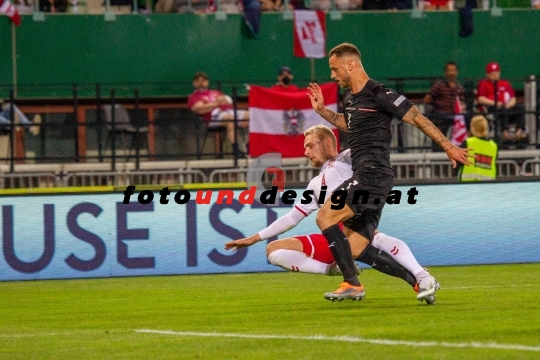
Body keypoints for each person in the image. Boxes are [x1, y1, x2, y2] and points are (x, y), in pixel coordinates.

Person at [307, 43, 471, 302]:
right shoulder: (351, 100)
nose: (332, 75)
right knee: (357, 246)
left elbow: (417, 117)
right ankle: (419, 281)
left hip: (372, 175)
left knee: (325, 216)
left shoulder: (379, 93)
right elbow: (347, 123)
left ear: (351, 65)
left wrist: (449, 147)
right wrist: (322, 112)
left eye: (334, 69)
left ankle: (352, 283)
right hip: (372, 178)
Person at [225, 125, 439, 304]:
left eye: (310, 145)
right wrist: (254, 238)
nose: (306, 151)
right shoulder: (315, 183)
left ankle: (419, 276)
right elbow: (292, 218)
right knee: (273, 250)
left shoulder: (347, 159)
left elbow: (369, 149)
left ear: (328, 142)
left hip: (349, 226)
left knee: (368, 239)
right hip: (334, 237)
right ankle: (333, 269)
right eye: (305, 147)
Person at [188, 71, 249, 158]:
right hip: (212, 117)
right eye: (198, 81)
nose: (201, 83)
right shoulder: (193, 97)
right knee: (230, 119)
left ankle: (250, 146)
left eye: (203, 80)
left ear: (207, 82)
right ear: (194, 83)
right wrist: (216, 103)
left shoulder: (216, 92)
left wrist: (209, 105)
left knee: (252, 115)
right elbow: (199, 109)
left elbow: (227, 101)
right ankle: (236, 150)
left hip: (228, 111)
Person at [476, 62, 527, 143]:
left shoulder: (505, 83)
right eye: (492, 74)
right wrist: (495, 103)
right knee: (501, 108)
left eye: (496, 73)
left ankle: (519, 132)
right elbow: (481, 99)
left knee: (520, 107)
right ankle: (505, 133)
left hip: (506, 108)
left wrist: (508, 105)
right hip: (492, 109)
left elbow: (513, 99)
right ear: (487, 74)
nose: (495, 75)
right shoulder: (483, 84)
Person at [423, 61, 466, 152]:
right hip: (441, 116)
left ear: (457, 72)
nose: (451, 73)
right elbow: (427, 99)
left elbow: (462, 102)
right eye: (449, 70)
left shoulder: (459, 88)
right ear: (445, 72)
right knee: (440, 134)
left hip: (455, 117)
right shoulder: (438, 86)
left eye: (453, 70)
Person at [457, 115, 498, 182]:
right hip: (488, 185)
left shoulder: (467, 142)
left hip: (467, 184)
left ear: (473, 127)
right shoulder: (494, 146)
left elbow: (458, 163)